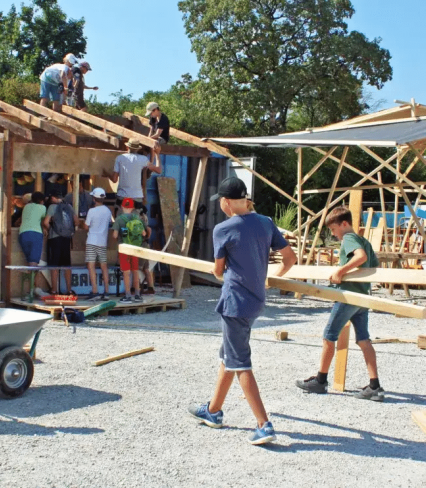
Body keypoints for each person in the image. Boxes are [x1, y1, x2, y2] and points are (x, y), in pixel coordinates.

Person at [188, 177, 296, 445]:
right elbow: (290, 259)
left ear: (225, 202)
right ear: (246, 200)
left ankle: (264, 424)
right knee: (229, 356)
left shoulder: (223, 229)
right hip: (256, 301)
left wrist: (224, 271)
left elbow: (216, 270)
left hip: (235, 303)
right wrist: (270, 279)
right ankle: (213, 411)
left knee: (240, 363)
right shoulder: (265, 222)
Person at [295, 206, 383, 400]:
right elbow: (373, 265)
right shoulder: (364, 240)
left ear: (344, 224)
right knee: (363, 340)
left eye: (334, 229)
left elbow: (361, 257)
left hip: (348, 296)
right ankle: (374, 386)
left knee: (329, 336)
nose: (333, 234)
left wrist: (340, 272)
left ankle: (320, 380)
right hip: (362, 298)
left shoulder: (349, 238)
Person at [103, 138, 162, 208]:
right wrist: (157, 154)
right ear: (138, 149)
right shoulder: (143, 159)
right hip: (137, 197)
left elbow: (114, 179)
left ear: (127, 147)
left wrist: (106, 174)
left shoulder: (119, 158)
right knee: (135, 219)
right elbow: (158, 170)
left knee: (122, 218)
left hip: (122, 196)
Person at [112, 198, 149, 302]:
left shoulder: (119, 219)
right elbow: (144, 233)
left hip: (124, 249)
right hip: (135, 248)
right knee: (135, 271)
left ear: (122, 207)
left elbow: (114, 235)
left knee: (126, 272)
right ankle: (137, 294)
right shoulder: (137, 218)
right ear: (133, 208)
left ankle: (128, 295)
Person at [43, 190, 76, 295]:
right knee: (67, 265)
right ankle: (69, 290)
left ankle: (54, 290)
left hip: (54, 238)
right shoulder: (69, 207)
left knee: (54, 265)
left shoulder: (52, 207)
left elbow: (45, 222)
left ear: (53, 198)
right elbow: (77, 221)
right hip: (66, 238)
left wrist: (49, 229)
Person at [84, 188, 112, 301]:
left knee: (91, 266)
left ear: (94, 199)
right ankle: (106, 291)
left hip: (92, 240)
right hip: (102, 241)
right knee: (104, 266)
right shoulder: (108, 211)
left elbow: (86, 226)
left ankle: (95, 291)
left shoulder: (91, 211)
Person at [18, 192, 46, 266]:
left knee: (29, 260)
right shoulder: (42, 208)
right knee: (33, 261)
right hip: (35, 234)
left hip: (23, 234)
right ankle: (31, 277)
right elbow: (44, 222)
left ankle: (29, 276)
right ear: (41, 201)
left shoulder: (26, 207)